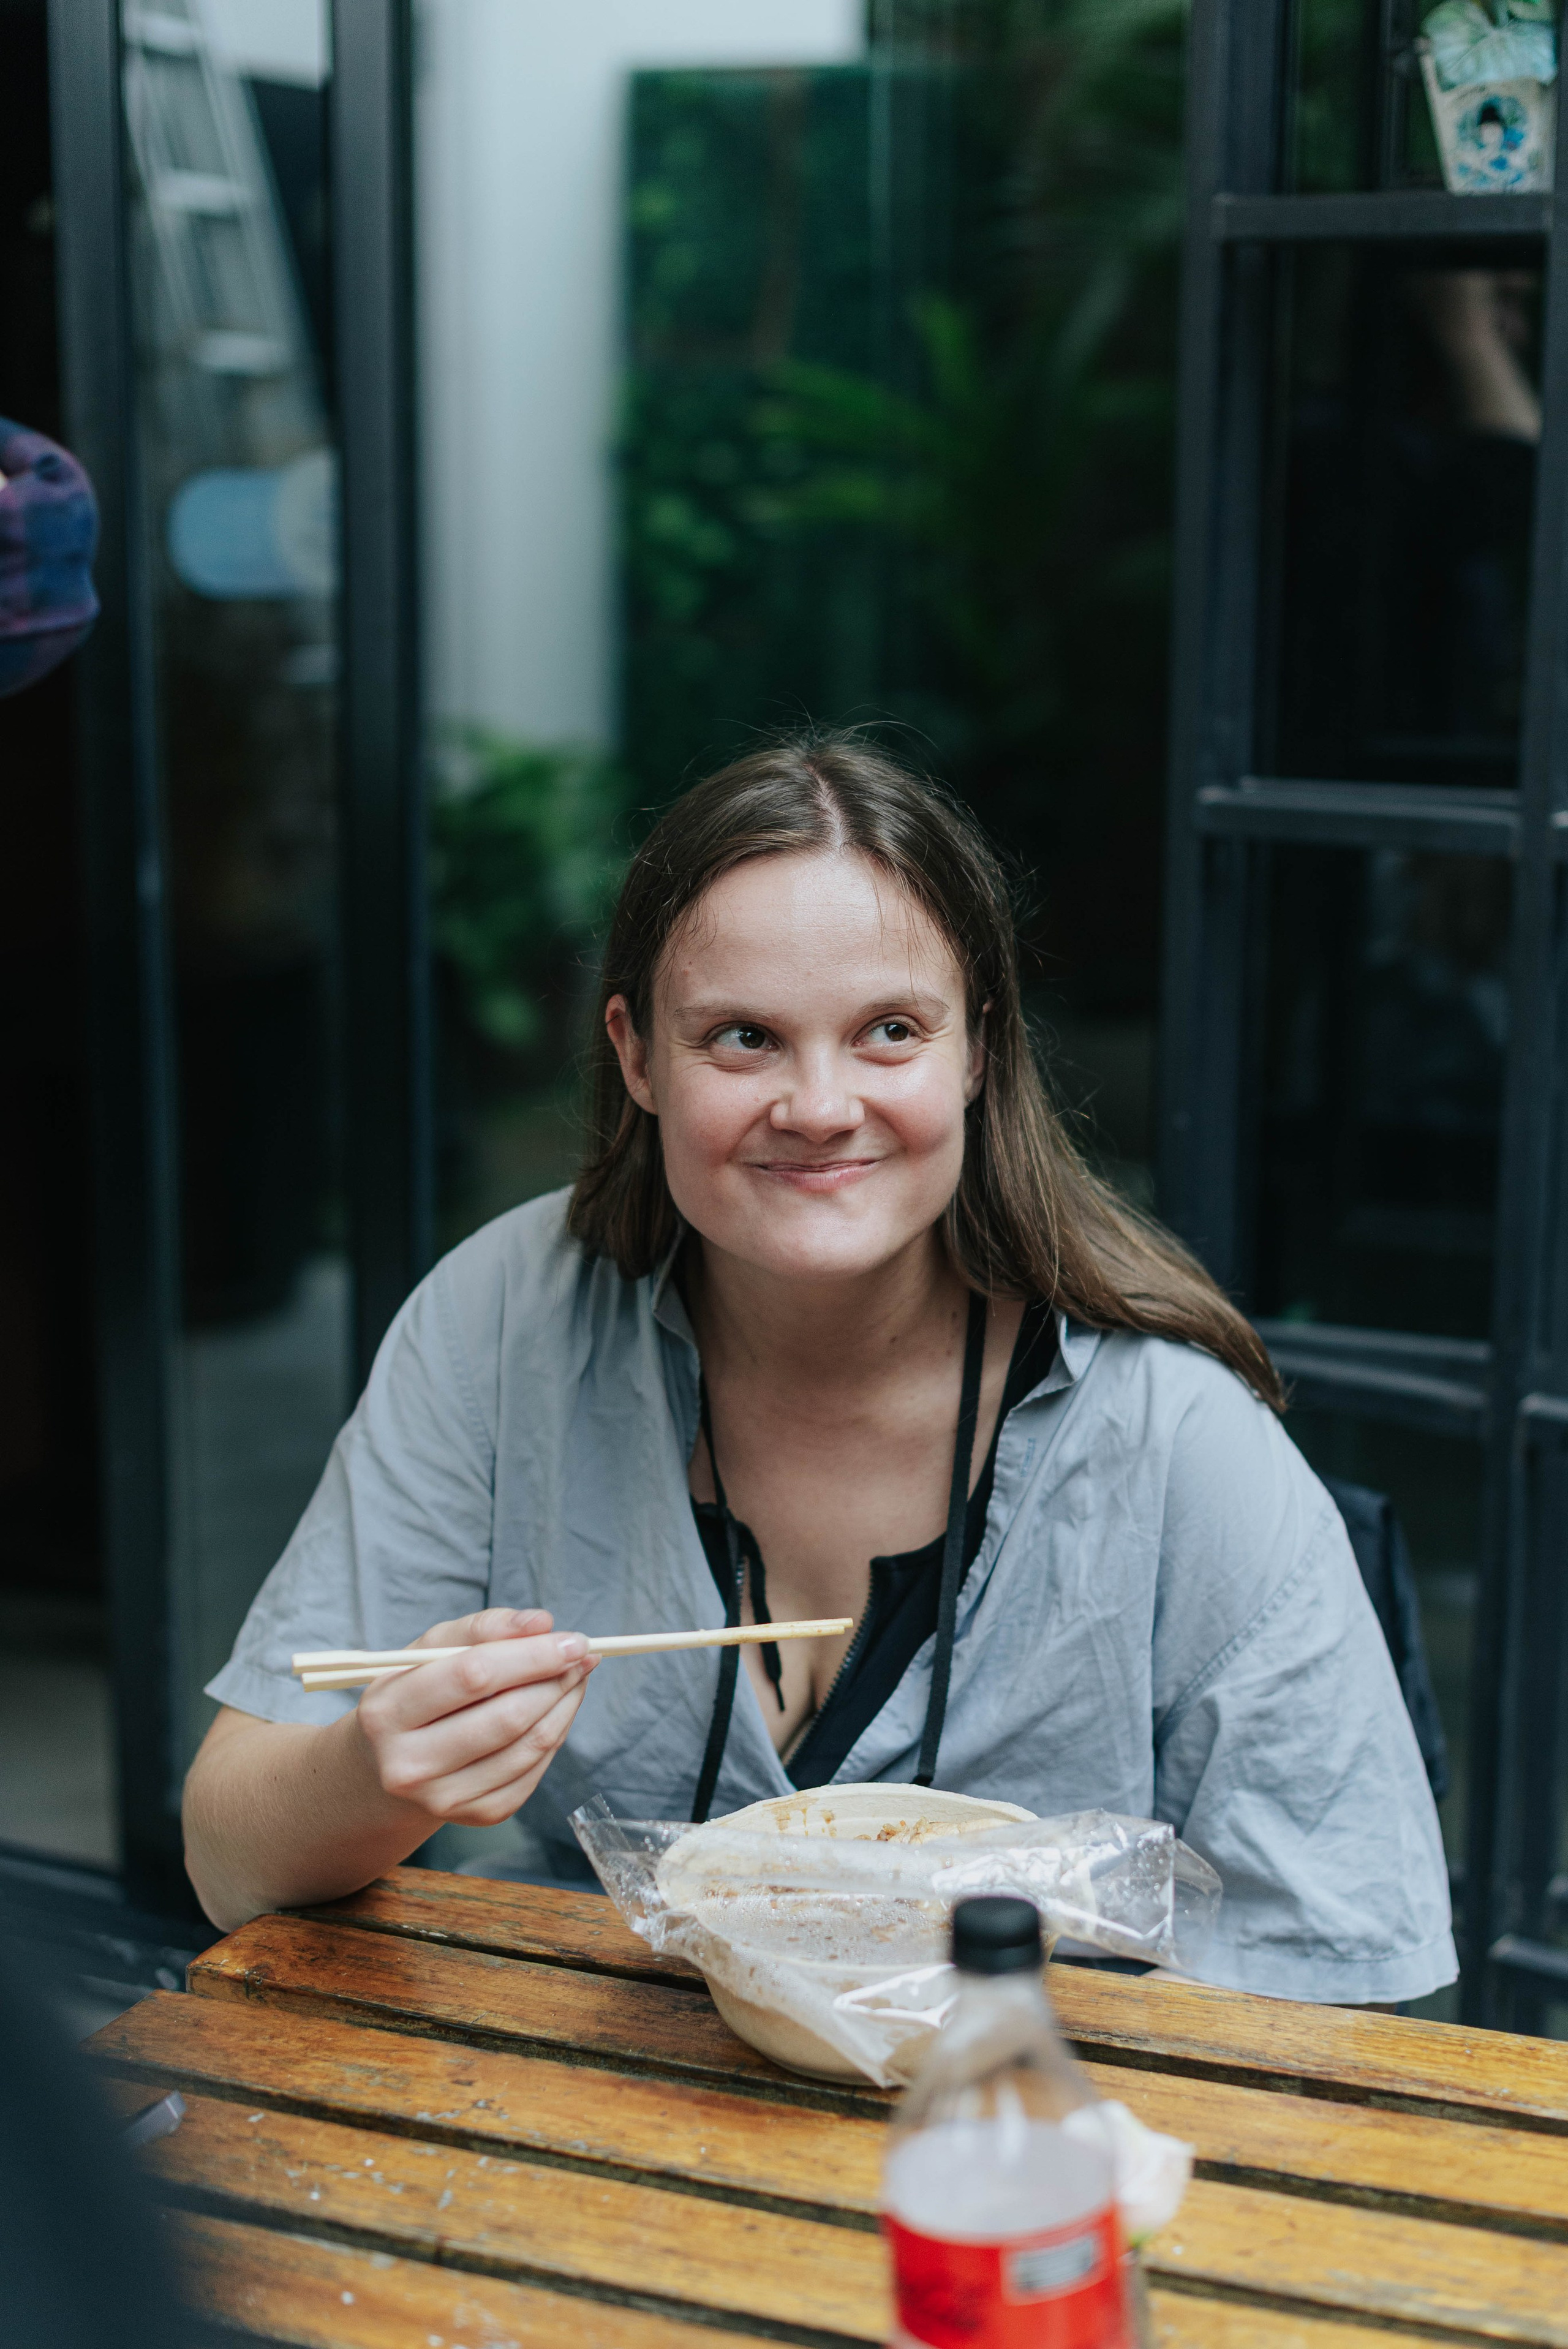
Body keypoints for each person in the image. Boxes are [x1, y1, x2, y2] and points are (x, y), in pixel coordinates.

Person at [183, 737, 1456, 2004]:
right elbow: (228, 1856)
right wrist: (375, 1771)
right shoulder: (503, 1321)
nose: (817, 1103)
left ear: (975, 1048)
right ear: (635, 1054)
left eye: (887, 1031)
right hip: (596, 2116)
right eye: (742, 1038)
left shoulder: (1175, 1431)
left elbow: (1345, 1989)